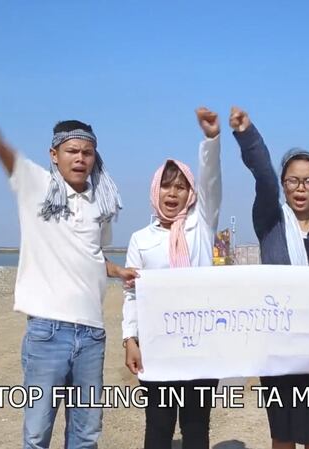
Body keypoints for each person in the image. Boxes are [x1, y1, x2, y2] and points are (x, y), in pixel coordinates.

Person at [0, 65, 137, 449]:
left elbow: (92, 255)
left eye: (87, 152)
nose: (81, 158)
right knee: (37, 434)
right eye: (72, 150)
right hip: (47, 333)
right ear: (54, 154)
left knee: (86, 434)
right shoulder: (35, 185)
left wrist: (119, 271)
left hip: (92, 335)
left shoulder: (99, 204)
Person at [230, 107, 309, 449]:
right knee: (282, 436)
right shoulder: (270, 221)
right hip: (278, 350)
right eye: (293, 180)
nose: (300, 188)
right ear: (284, 185)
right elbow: (263, 177)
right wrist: (247, 135)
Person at [121, 108, 223, 449]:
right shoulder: (140, 239)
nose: (173, 193)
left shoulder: (201, 224)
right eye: (167, 186)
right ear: (156, 189)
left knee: (196, 429)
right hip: (157, 347)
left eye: (181, 186)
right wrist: (129, 339)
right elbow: (131, 294)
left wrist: (211, 141)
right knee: (159, 427)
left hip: (201, 346)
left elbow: (211, 180)